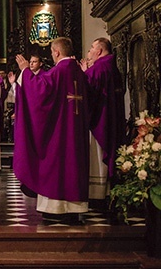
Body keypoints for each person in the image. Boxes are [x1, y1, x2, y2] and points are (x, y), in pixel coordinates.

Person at [13, 37, 90, 222]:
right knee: (75, 165)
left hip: (59, 132)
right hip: (77, 131)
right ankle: (74, 209)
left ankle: (55, 209)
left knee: (56, 164)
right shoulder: (80, 73)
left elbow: (39, 91)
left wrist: (24, 70)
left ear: (56, 52)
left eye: (52, 53)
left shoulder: (59, 71)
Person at [80, 37, 126, 203]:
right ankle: (106, 191)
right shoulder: (110, 66)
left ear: (99, 51)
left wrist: (84, 73)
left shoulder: (99, 68)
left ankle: (97, 194)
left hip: (99, 120)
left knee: (97, 156)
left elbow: (88, 93)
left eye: (92, 48)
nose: (90, 52)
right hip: (110, 117)